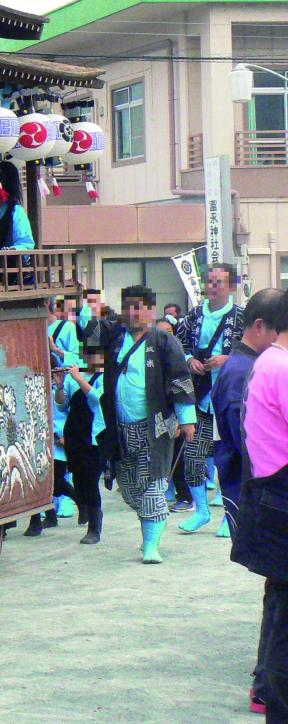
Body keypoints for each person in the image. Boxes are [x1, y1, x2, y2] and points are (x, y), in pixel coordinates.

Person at [213, 289, 283, 714]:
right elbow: (244, 435)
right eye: (277, 331)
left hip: (255, 484)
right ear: (260, 327)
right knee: (278, 594)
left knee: (276, 592)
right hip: (257, 486)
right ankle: (265, 684)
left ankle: (266, 683)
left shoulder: (248, 364)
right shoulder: (247, 368)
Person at [100, 285, 197, 563]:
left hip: (154, 427)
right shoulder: (117, 341)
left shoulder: (165, 341)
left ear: (150, 310)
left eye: (138, 306)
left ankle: (151, 545)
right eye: (127, 306)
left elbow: (180, 379)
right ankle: (148, 536)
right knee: (131, 489)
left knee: (153, 485)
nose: (132, 312)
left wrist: (187, 419)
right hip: (120, 427)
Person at [231, 289, 288, 721]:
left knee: (278, 605)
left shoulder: (264, 362)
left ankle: (267, 691)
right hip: (280, 495)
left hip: (266, 490)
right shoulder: (281, 366)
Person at [175, 263, 245, 533]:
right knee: (193, 455)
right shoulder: (193, 317)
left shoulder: (241, 317)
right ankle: (201, 510)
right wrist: (189, 358)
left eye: (218, 282)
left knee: (230, 457)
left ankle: (231, 514)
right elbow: (178, 347)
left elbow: (254, 351)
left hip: (230, 399)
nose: (212, 287)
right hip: (200, 397)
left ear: (230, 287)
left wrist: (228, 359)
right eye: (210, 281)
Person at [61, 346, 108, 544]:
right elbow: (62, 405)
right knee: (78, 481)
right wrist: (60, 386)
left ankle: (95, 528)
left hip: (94, 438)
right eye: (88, 354)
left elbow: (99, 399)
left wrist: (79, 379)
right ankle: (85, 512)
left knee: (91, 482)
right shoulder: (74, 376)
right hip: (75, 436)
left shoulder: (105, 377)